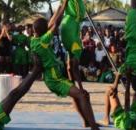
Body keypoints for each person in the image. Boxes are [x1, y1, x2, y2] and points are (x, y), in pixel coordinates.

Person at [31, 1, 99, 129]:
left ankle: (86, 121)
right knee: (82, 95)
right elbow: (55, 23)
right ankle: (94, 127)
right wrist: (65, 4)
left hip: (54, 78)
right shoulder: (43, 41)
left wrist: (59, 8)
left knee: (75, 93)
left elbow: (51, 22)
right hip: (55, 80)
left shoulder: (35, 40)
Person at [60, 0, 86, 93]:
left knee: (70, 67)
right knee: (73, 66)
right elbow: (79, 13)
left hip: (66, 24)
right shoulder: (78, 47)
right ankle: (79, 88)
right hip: (71, 26)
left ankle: (73, 88)